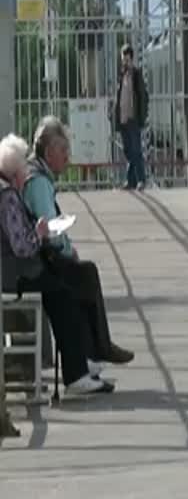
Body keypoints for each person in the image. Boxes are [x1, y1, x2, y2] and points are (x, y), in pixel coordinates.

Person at [0, 133, 114, 395]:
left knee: (63, 286)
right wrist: (39, 233)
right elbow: (22, 247)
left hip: (12, 270)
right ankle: (76, 373)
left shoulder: (7, 191)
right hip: (14, 274)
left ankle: (79, 364)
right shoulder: (7, 197)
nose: (24, 176)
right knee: (63, 294)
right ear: (14, 170)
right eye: (22, 171)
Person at [22, 116, 135, 372]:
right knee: (83, 276)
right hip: (38, 260)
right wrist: (66, 249)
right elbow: (49, 226)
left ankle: (89, 354)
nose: (67, 157)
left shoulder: (35, 174)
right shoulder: (38, 182)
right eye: (63, 151)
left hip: (34, 256)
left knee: (82, 276)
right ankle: (97, 350)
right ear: (49, 152)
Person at [115, 43, 149, 191]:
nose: (125, 62)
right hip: (123, 118)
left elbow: (143, 96)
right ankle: (132, 181)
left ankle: (140, 179)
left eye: (127, 59)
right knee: (128, 151)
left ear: (132, 59)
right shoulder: (121, 75)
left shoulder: (136, 74)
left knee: (136, 150)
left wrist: (142, 116)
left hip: (133, 118)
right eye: (123, 59)